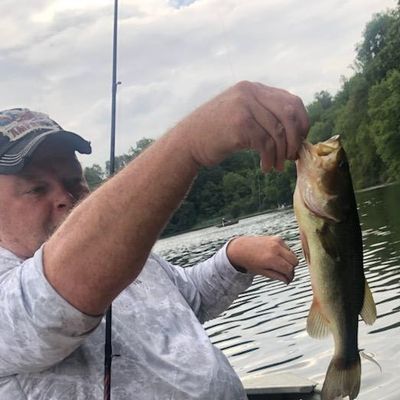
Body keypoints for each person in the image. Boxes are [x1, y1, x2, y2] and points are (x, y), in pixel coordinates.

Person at [0, 81, 309, 399]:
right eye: (37, 189)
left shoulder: (122, 250)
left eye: (73, 181)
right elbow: (51, 304)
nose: (65, 197)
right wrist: (191, 141)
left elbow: (189, 297)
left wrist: (233, 258)